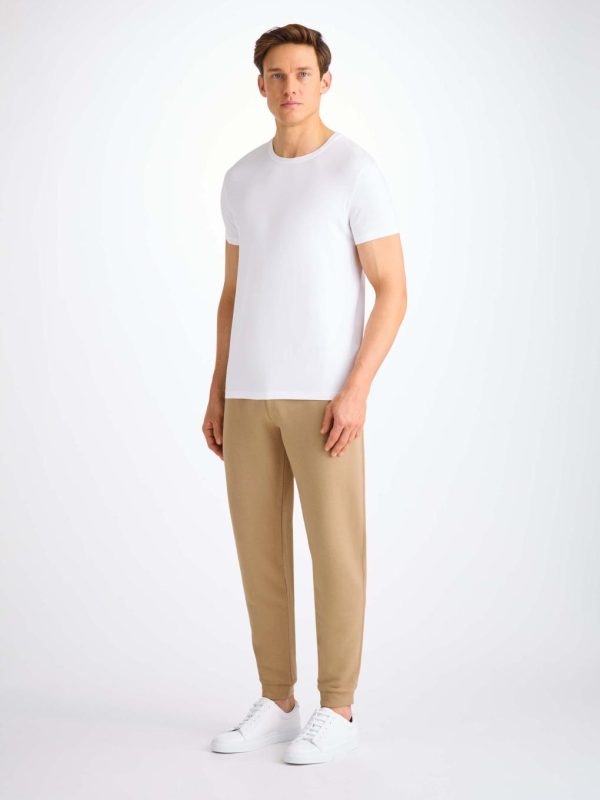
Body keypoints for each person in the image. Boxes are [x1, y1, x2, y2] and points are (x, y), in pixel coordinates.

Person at [203, 22, 407, 764]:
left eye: (302, 73)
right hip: (249, 395)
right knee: (260, 554)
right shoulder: (240, 179)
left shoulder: (354, 170)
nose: (289, 86)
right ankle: (278, 697)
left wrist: (356, 390)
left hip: (325, 397)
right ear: (260, 85)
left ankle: (339, 707)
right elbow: (233, 293)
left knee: (335, 552)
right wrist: (218, 390)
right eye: (276, 74)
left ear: (325, 81)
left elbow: (392, 291)